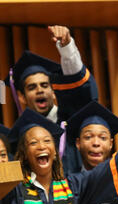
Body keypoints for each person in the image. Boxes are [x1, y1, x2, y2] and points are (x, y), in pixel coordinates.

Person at [4, 25, 98, 175]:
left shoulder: (70, 122)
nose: (40, 90)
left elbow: (82, 91)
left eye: (45, 85)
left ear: (53, 91)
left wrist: (67, 48)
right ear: (21, 97)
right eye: (32, 87)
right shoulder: (20, 136)